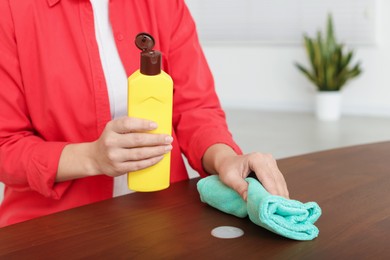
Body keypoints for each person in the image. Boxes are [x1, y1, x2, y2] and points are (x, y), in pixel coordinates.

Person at [0, 0, 288, 227]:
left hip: (162, 218)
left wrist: (225, 159)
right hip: (52, 229)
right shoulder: (11, 10)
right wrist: (91, 157)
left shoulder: (165, 4)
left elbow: (195, 108)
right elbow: (5, 146)